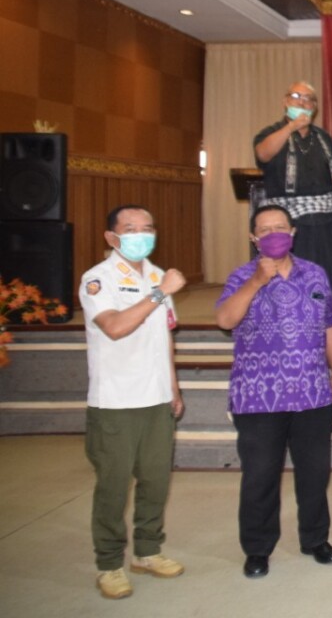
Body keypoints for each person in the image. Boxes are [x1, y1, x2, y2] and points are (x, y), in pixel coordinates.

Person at [214, 204, 332, 578]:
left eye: (280, 227)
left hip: (312, 392)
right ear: (253, 237)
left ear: (293, 232)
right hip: (259, 396)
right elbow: (224, 319)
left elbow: (330, 325)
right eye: (265, 229)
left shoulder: (315, 274)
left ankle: (315, 539)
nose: (273, 233)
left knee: (315, 474)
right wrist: (257, 281)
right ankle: (258, 548)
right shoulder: (241, 276)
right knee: (260, 476)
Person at [79, 205, 186, 599]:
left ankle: (147, 551)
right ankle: (109, 564)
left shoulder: (158, 275)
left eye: (147, 228)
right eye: (130, 228)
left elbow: (164, 337)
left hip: (156, 396)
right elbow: (115, 327)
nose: (141, 234)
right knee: (113, 486)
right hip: (116, 400)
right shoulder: (98, 279)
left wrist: (173, 387)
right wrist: (160, 294)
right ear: (112, 237)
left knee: (156, 481)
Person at [253, 81, 332, 284]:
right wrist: (291, 127)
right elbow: (263, 154)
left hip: (323, 221)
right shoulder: (270, 133)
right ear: (285, 102)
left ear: (315, 107)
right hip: (288, 222)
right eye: (296, 97)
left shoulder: (323, 137)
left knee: (326, 275)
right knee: (291, 278)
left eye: (308, 99)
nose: (302, 103)